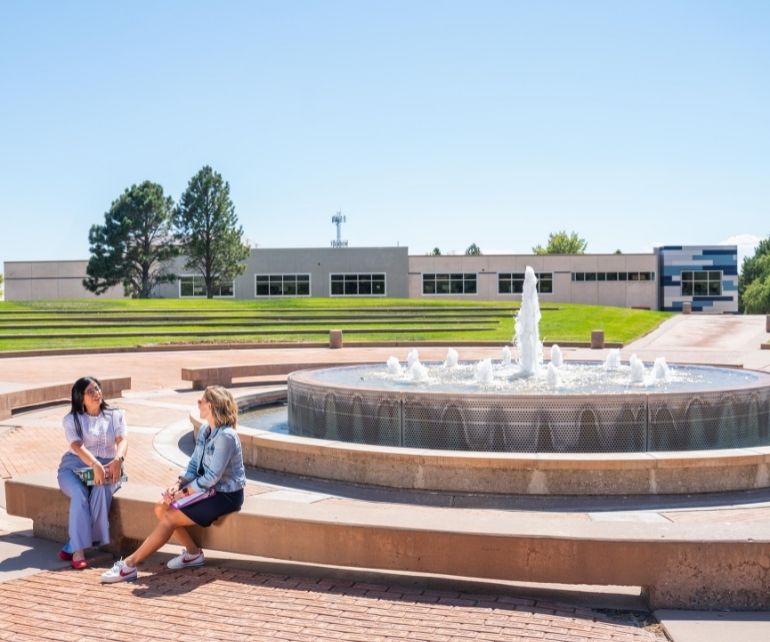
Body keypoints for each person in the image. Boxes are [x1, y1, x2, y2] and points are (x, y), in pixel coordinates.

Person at [100, 385, 245, 583]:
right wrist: (178, 485)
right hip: (204, 490)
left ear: (210, 406)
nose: (198, 404)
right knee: (161, 507)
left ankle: (129, 565)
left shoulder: (226, 436)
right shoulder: (205, 430)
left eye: (200, 401)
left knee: (169, 518)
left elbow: (212, 477)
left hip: (224, 495)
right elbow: (194, 465)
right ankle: (193, 553)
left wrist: (183, 493)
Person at [57, 376, 128, 570]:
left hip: (108, 466)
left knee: (100, 490)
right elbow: (77, 446)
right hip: (73, 466)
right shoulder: (71, 419)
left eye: (97, 389)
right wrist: (94, 464)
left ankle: (73, 545)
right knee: (79, 494)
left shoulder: (115, 415)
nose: (96, 393)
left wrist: (118, 460)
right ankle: (78, 550)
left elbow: (122, 440)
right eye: (90, 391)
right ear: (81, 398)